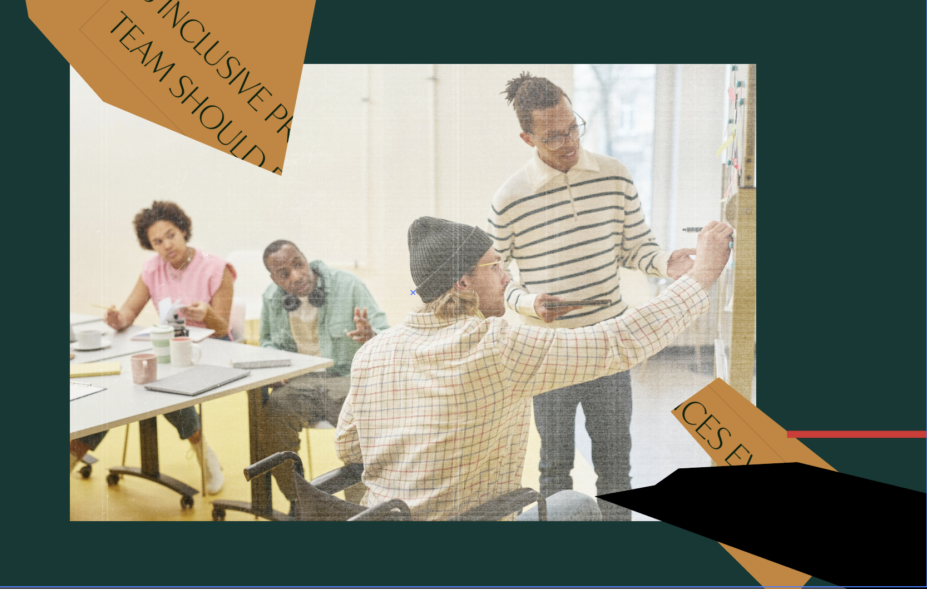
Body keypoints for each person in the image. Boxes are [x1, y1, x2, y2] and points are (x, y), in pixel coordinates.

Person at [335, 216, 732, 521]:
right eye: (495, 267)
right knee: (575, 506)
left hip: (381, 526)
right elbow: (618, 341)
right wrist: (703, 274)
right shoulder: (494, 346)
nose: (507, 277)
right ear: (462, 283)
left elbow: (347, 448)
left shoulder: (374, 350)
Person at [487, 73, 705, 520]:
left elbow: (634, 247)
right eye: (553, 136)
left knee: (616, 468)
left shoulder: (615, 176)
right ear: (527, 137)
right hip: (548, 353)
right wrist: (528, 304)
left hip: (610, 344)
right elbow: (495, 275)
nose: (568, 141)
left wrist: (667, 263)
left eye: (573, 127)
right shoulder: (509, 198)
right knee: (554, 469)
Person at [69, 201, 234, 494]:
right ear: (150, 245)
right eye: (157, 241)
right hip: (169, 349)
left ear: (183, 230)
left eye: (170, 234)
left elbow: (222, 328)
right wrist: (116, 318)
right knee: (123, 387)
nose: (166, 245)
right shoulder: (151, 269)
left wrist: (207, 314)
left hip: (209, 350)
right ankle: (72, 456)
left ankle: (203, 453)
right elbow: (128, 314)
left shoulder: (216, 267)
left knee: (160, 384)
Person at [257, 240, 389, 505]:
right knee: (270, 418)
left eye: (299, 264)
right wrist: (277, 367)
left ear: (306, 259)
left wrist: (370, 335)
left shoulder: (348, 285)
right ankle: (302, 502)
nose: (296, 276)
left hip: (344, 380)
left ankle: (359, 510)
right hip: (300, 383)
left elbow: (386, 334)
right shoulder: (271, 298)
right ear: (274, 279)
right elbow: (267, 343)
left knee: (366, 425)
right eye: (284, 274)